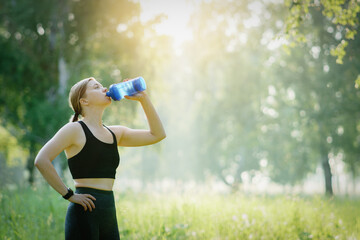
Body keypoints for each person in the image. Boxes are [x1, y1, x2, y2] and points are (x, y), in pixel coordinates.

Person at [34, 77, 166, 240]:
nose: (104, 89)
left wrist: (144, 99)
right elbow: (41, 160)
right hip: (84, 210)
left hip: (108, 210)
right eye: (96, 87)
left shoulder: (115, 133)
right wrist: (69, 195)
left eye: (102, 86)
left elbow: (158, 134)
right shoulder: (74, 130)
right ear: (84, 101)